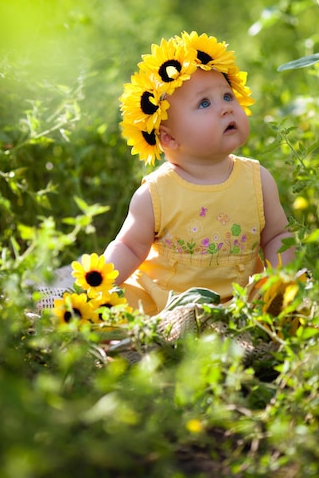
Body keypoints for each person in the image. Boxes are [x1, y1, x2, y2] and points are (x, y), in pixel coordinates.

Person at [100, 30, 295, 316]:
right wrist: (98, 285)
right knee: (119, 310)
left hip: (239, 301)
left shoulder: (257, 180)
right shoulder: (156, 193)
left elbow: (277, 235)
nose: (225, 108)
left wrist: (283, 282)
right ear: (168, 139)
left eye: (227, 96)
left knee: (283, 309)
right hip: (166, 303)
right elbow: (128, 247)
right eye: (205, 103)